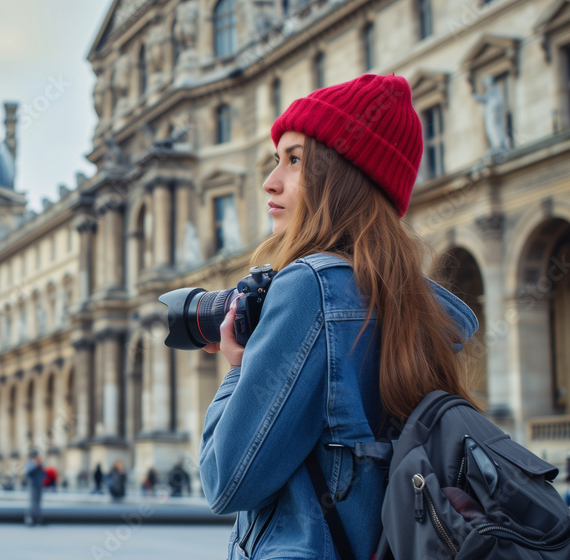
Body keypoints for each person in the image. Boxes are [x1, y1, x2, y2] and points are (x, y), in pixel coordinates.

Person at [198, 74, 479, 559]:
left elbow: (225, 481)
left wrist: (239, 371)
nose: (270, 181)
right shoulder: (413, 307)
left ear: (341, 177)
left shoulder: (310, 287)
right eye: (275, 160)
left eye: (294, 160)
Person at [24, 449, 47, 526]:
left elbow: (43, 473)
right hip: (33, 484)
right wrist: (35, 465)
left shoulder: (39, 463)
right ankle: (30, 519)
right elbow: (28, 472)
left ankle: (38, 518)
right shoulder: (30, 463)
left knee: (38, 502)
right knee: (33, 502)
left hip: (39, 484)